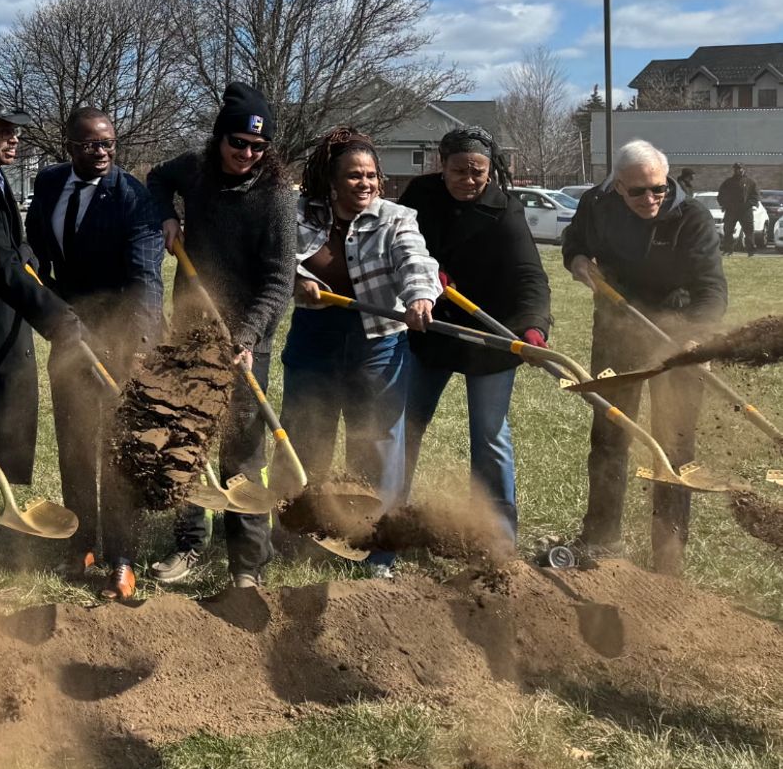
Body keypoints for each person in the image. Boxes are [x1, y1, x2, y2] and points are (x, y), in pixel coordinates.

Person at [145, 83, 295, 589]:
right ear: (218, 139)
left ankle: (246, 566)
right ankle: (189, 545)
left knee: (241, 450)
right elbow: (156, 178)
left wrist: (247, 336)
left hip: (247, 342)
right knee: (186, 438)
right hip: (192, 333)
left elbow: (280, 280)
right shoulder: (195, 170)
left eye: (257, 148)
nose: (247, 155)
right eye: (238, 144)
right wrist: (167, 215)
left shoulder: (273, 198)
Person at [564, 140, 724, 574]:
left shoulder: (691, 217)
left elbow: (711, 289)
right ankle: (601, 537)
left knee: (673, 449)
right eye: (638, 192)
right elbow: (573, 242)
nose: (651, 199)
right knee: (610, 438)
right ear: (618, 187)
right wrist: (577, 260)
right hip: (617, 332)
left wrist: (694, 337)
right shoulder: (596, 205)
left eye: (658, 189)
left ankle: (668, 555)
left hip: (678, 340)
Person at [284, 128, 437, 579]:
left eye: (371, 175)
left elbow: (416, 261)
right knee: (305, 435)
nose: (365, 184)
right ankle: (296, 535)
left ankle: (376, 551)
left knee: (376, 444)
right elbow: (277, 258)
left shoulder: (396, 218)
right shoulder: (299, 214)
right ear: (332, 184)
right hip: (315, 336)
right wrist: (297, 280)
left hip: (378, 339)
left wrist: (420, 297)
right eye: (354, 176)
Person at [25, 107, 164, 600]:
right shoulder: (48, 183)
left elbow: (147, 283)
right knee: (74, 443)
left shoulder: (134, 199)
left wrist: (140, 353)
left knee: (119, 453)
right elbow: (38, 246)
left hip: (121, 341)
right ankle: (81, 542)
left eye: (108, 143)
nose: (101, 152)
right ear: (69, 146)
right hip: (69, 333)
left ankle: (123, 559)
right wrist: (36, 276)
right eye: (89, 145)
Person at [398, 127, 550, 535]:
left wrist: (533, 327)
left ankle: (496, 534)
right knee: (404, 426)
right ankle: (387, 522)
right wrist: (425, 277)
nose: (469, 180)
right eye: (459, 171)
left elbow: (529, 275)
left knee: (490, 435)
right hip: (429, 328)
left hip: (491, 336)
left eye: (478, 172)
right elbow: (396, 243)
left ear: (490, 171)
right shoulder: (420, 196)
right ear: (441, 167)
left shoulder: (505, 210)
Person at [0, 94, 82, 539]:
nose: (15, 138)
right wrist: (57, 318)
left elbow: (10, 247)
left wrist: (27, 253)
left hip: (0, 321)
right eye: (3, 132)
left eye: (16, 131)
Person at [717, 163, 759, 256]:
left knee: (748, 231)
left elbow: (755, 197)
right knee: (728, 230)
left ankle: (751, 251)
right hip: (731, 211)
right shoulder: (728, 182)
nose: (738, 170)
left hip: (745, 211)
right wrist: (725, 204)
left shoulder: (750, 182)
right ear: (734, 170)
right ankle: (728, 250)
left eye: (740, 168)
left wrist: (748, 205)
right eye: (736, 169)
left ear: (744, 169)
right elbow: (721, 195)